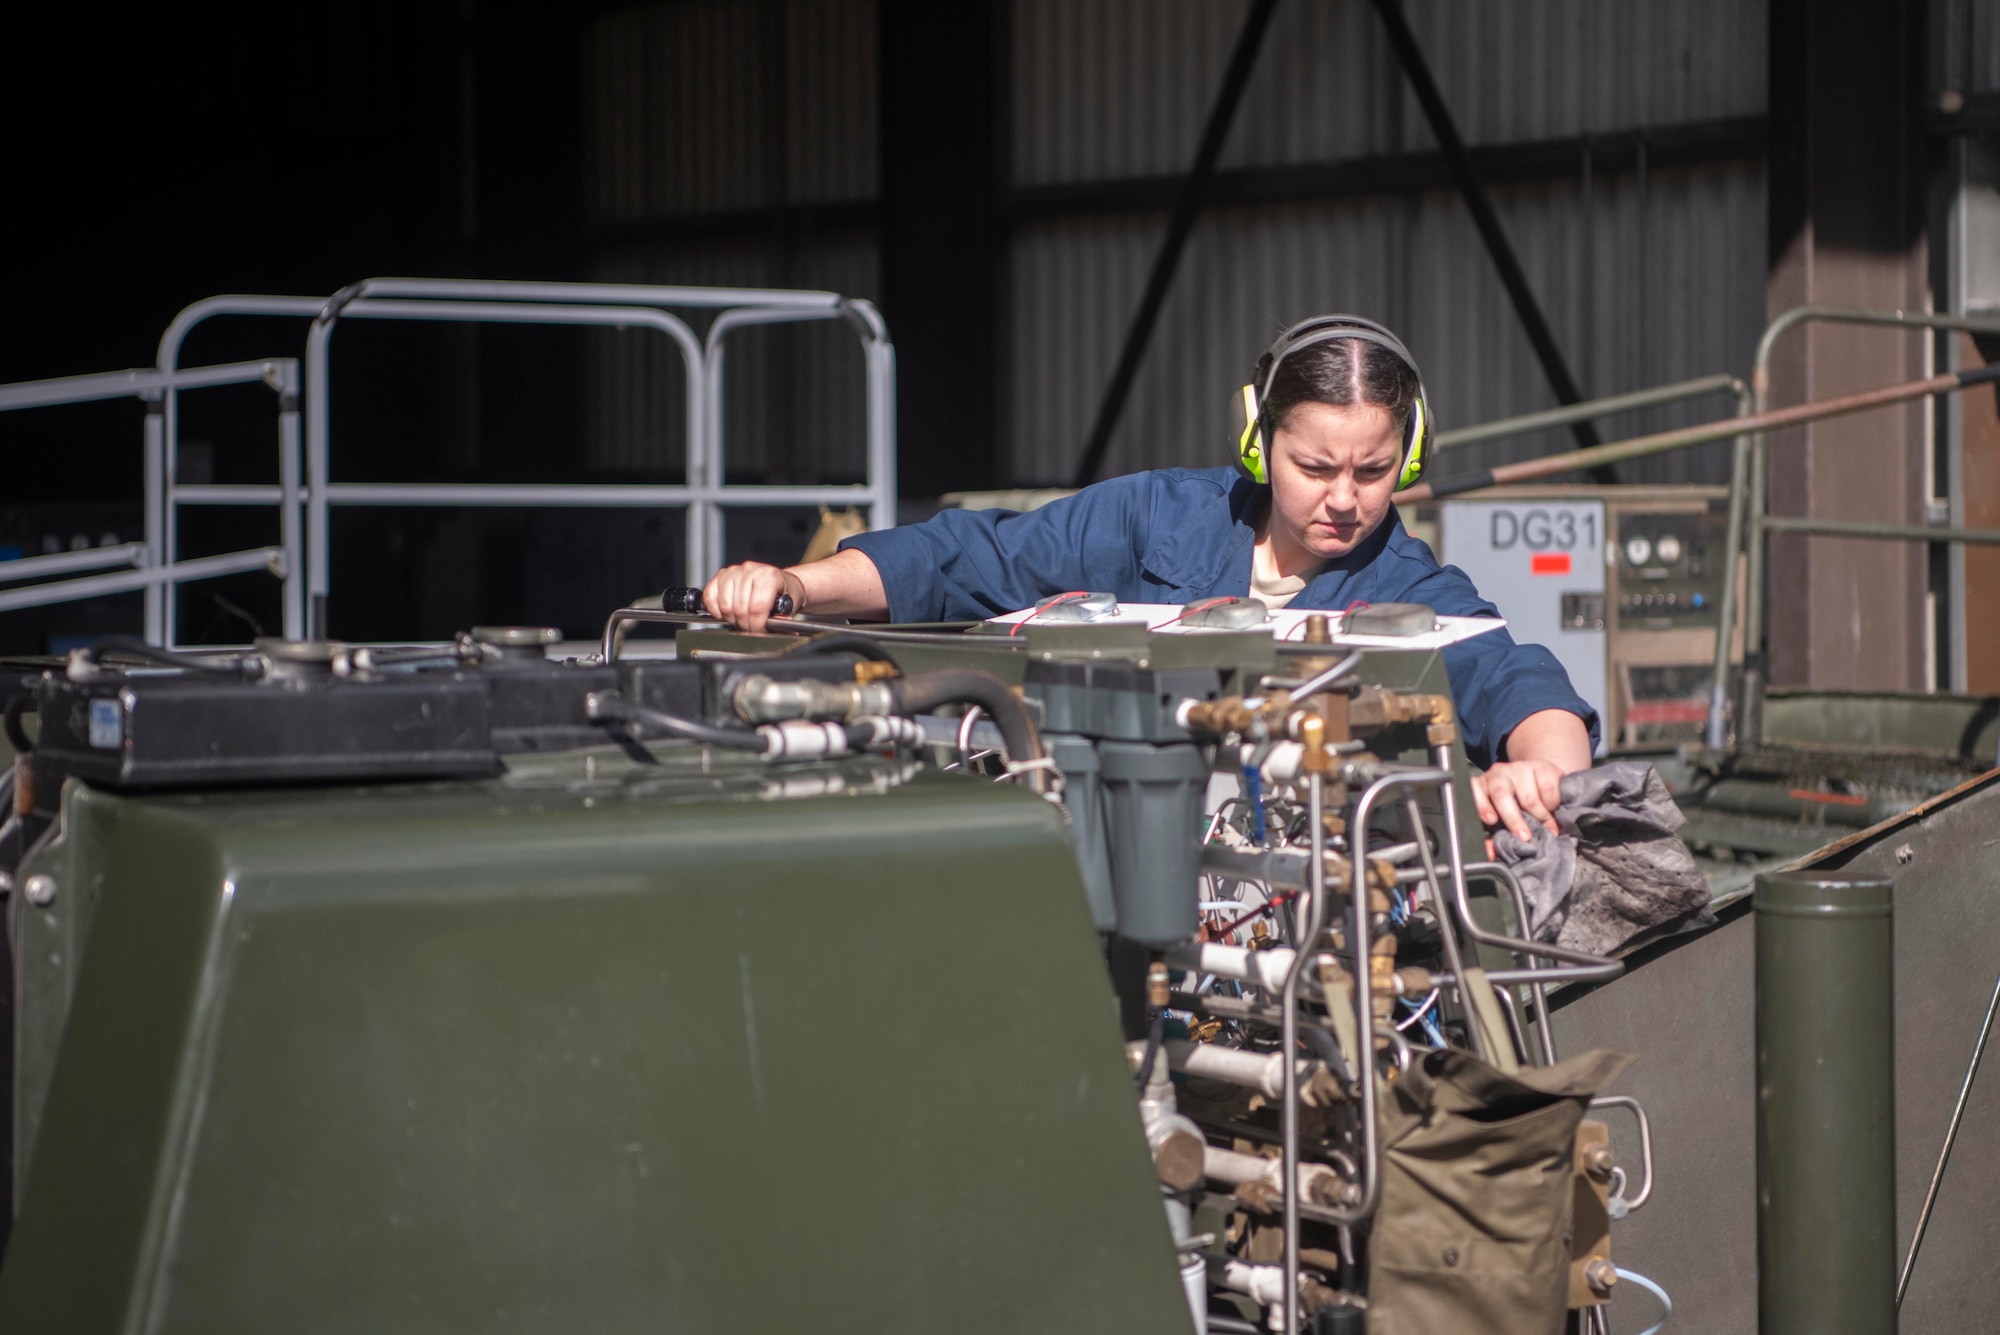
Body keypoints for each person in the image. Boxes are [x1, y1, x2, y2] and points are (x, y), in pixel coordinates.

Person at [703, 315, 1598, 842]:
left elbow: (1517, 680)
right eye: (1314, 465)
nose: (1344, 499)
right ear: (1259, 441)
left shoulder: (1413, 588)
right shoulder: (1157, 517)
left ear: (1407, 454)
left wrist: (1539, 776)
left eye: (1373, 471)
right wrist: (794, 586)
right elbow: (967, 559)